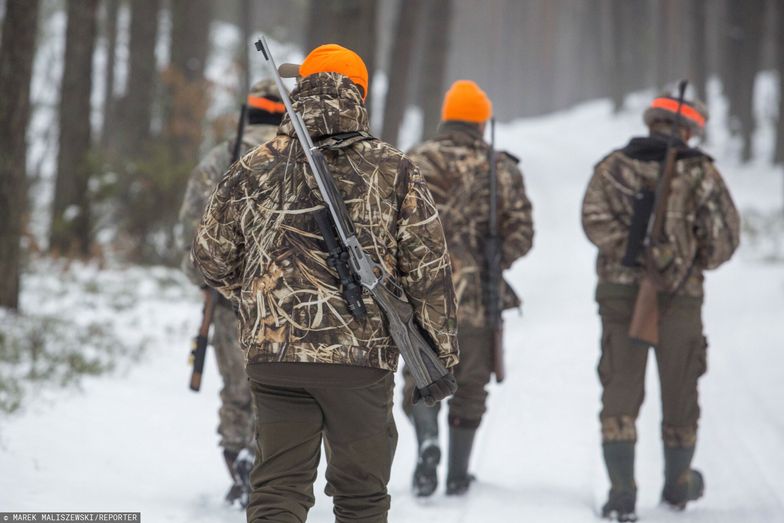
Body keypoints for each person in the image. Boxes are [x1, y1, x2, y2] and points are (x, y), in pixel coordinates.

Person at [191, 43, 459, 522]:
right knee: (361, 498)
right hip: (361, 365)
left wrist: (258, 296)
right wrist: (437, 357)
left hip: (274, 361)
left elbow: (209, 259)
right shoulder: (394, 169)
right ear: (359, 95)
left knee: (276, 494)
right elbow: (429, 273)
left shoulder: (251, 166)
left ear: (301, 92)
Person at [581, 92, 740, 521]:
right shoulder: (702, 172)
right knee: (681, 389)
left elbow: (592, 219)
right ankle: (677, 487)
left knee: (620, 388)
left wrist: (628, 253)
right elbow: (725, 240)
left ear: (652, 123)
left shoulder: (614, 165)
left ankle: (621, 492)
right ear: (688, 129)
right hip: (680, 297)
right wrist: (685, 259)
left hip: (617, 294)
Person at [404, 80, 535, 497]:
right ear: (481, 123)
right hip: (478, 297)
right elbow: (523, 233)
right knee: (471, 384)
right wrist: (496, 259)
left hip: (422, 294)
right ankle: (458, 474)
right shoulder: (501, 169)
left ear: (446, 117)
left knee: (420, 375)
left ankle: (427, 444)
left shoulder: (413, 160)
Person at [177, 79, 284, 505]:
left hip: (226, 305)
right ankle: (262, 468)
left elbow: (188, 237)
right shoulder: (297, 160)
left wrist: (205, 280)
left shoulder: (217, 160)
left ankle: (238, 463)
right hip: (284, 304)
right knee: (275, 392)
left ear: (247, 113)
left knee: (235, 391)